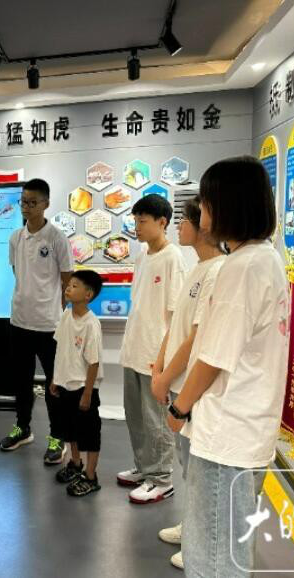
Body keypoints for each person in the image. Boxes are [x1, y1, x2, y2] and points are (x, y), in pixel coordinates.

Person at [168, 156, 287, 577]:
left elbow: (213, 358)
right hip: (247, 428)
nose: (201, 212)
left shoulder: (241, 267)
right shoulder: (265, 258)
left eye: (206, 202)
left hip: (227, 434)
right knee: (229, 544)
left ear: (228, 205)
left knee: (213, 554)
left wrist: (179, 408)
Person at [150, 195, 225, 569]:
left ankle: (199, 540)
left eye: (184, 220)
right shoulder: (197, 267)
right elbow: (176, 324)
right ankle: (191, 526)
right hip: (174, 380)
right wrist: (160, 366)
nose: (178, 226)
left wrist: (166, 377)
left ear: (204, 226)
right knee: (186, 464)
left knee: (199, 470)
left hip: (191, 387)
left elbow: (197, 337)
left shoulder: (218, 271)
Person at [118, 194, 187, 504]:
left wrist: (162, 362)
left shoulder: (173, 259)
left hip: (154, 354)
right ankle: (144, 467)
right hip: (134, 347)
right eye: (135, 221)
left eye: (142, 221)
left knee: (155, 419)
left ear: (162, 222)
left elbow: (176, 316)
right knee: (135, 415)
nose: (137, 227)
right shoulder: (142, 256)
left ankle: (161, 478)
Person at [0, 178, 74, 465]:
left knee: (55, 385)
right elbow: (18, 273)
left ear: (46, 203)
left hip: (49, 325)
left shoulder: (56, 238)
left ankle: (58, 436)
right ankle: (23, 428)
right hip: (19, 322)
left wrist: (60, 315)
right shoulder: (15, 238)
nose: (27, 207)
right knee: (21, 381)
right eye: (23, 202)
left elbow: (67, 281)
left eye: (33, 203)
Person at [50, 270, 104, 497]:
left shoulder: (91, 324)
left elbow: (94, 362)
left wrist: (87, 393)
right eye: (68, 285)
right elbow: (60, 349)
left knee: (89, 434)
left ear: (88, 295)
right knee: (70, 429)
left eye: (74, 286)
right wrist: (55, 379)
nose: (68, 289)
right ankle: (75, 462)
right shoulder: (65, 316)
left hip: (83, 387)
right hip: (65, 385)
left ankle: (91, 476)